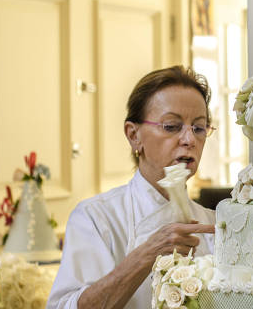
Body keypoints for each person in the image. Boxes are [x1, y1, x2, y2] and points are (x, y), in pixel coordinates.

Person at [47, 66, 217, 309]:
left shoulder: (213, 225)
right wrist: (148, 253)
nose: (189, 140)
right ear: (134, 135)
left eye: (198, 128)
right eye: (171, 126)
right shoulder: (96, 218)